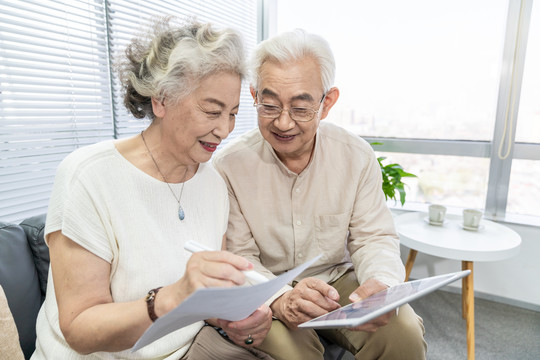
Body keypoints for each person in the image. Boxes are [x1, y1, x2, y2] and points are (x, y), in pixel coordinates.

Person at [31, 17, 273, 360]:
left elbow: (201, 301)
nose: (224, 130)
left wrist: (235, 318)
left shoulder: (213, 183)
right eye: (212, 110)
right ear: (161, 100)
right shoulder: (88, 176)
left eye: (232, 113)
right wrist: (171, 297)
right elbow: (80, 330)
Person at [212, 29, 427, 360]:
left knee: (404, 333)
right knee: (294, 352)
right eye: (268, 105)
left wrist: (381, 285)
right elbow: (242, 258)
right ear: (254, 95)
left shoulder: (355, 156)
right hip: (270, 286)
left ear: (327, 103)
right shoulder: (229, 166)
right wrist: (282, 297)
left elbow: (374, 238)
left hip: (338, 282)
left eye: (300, 108)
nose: (283, 123)